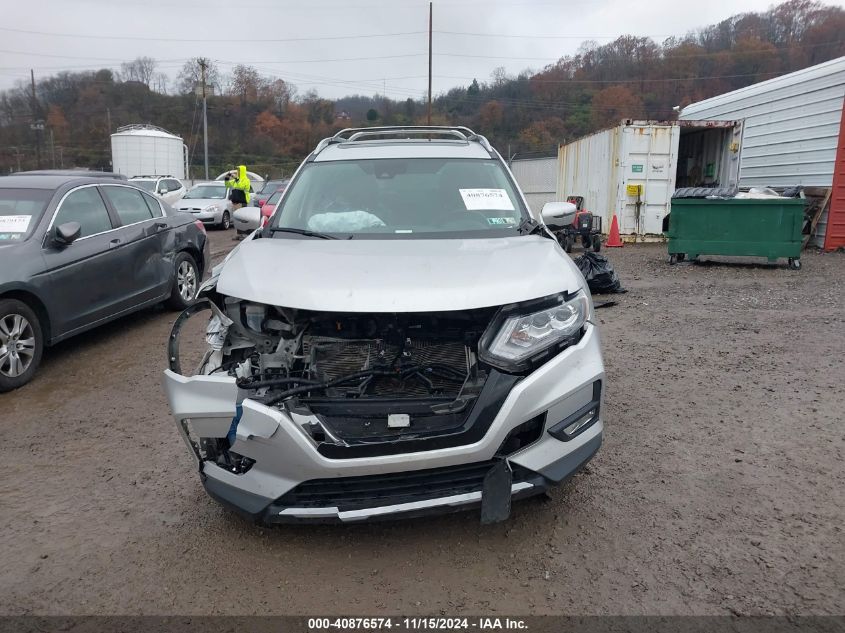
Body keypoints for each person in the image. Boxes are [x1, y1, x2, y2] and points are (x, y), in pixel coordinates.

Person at [224, 165, 251, 239]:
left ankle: (244, 234)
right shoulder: (235, 180)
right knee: (236, 219)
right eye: (237, 170)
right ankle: (238, 234)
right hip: (235, 202)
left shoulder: (246, 180)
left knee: (242, 219)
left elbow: (241, 187)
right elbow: (227, 185)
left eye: (238, 170)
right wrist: (227, 178)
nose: (237, 172)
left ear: (242, 171)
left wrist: (236, 178)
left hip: (242, 202)